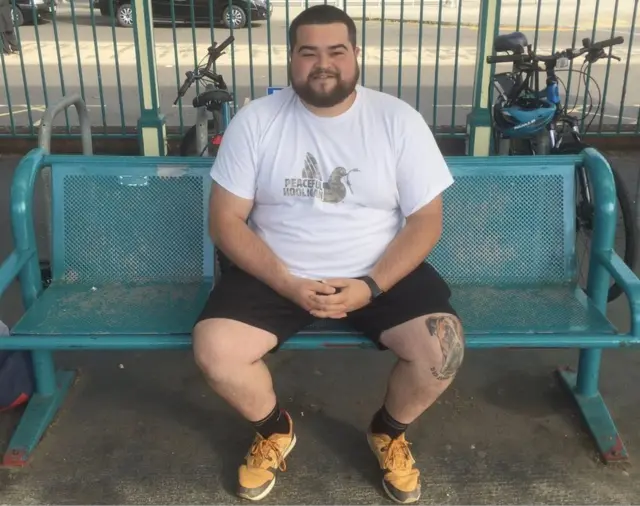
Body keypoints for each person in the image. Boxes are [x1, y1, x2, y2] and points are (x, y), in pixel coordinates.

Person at [193, 4, 465, 503]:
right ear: (291, 58)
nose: (324, 63)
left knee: (442, 349)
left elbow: (427, 220)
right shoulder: (256, 122)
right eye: (309, 52)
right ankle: (274, 429)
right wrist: (286, 283)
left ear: (356, 55)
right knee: (215, 351)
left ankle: (389, 431)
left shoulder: (397, 121)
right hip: (276, 271)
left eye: (337, 51)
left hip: (378, 271)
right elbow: (225, 221)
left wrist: (371, 286)